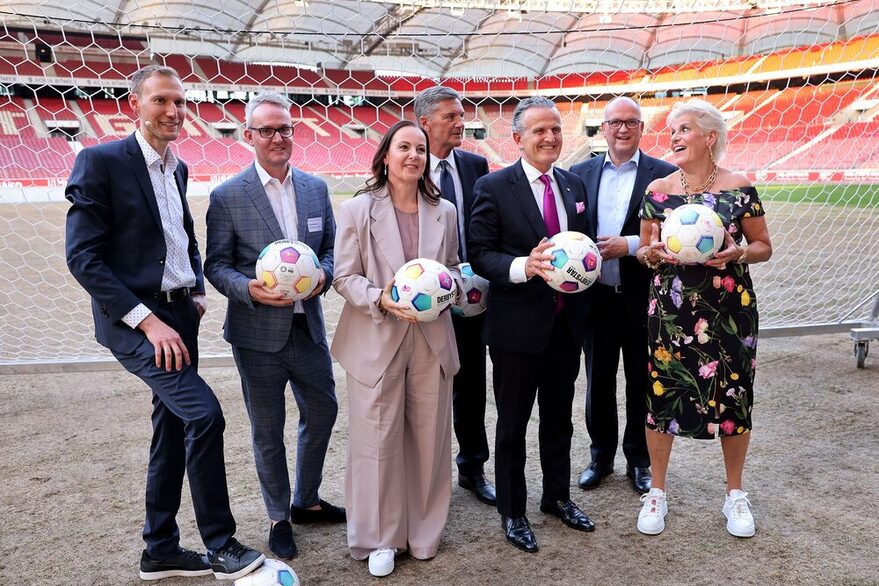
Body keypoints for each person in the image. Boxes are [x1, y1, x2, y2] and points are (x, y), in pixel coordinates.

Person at [64, 65, 264, 581]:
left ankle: (160, 548)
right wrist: (149, 321)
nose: (174, 111)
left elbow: (182, 234)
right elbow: (83, 259)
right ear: (135, 104)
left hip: (180, 313)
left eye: (180, 101)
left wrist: (195, 286)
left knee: (173, 428)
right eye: (161, 101)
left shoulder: (177, 166)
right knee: (204, 415)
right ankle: (220, 545)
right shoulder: (100, 161)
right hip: (139, 323)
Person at [203, 92, 344, 560]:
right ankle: (278, 516)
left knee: (323, 411)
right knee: (268, 430)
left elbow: (327, 250)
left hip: (308, 328)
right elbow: (216, 264)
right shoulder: (227, 196)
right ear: (249, 136)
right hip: (257, 334)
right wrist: (248, 289)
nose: (278, 137)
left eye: (284, 128)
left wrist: (322, 273)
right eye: (267, 130)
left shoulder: (315, 188)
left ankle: (306, 499)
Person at [635, 98, 772, 537]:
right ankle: (656, 492)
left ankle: (735, 495)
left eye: (684, 129)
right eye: (672, 130)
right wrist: (650, 254)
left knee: (733, 397)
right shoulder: (658, 191)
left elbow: (764, 246)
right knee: (662, 397)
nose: (674, 136)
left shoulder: (740, 187)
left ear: (710, 137)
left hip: (730, 312)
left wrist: (741, 253)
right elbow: (644, 251)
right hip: (672, 312)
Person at [331, 120, 460, 577]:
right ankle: (381, 538)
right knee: (378, 441)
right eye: (404, 147)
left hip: (431, 337)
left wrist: (452, 287)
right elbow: (343, 276)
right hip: (376, 337)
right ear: (386, 155)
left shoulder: (444, 210)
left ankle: (423, 532)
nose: (413, 156)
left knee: (429, 437)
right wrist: (381, 298)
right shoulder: (358, 210)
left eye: (421, 149)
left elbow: (452, 269)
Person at [468, 97, 596, 554]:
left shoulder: (574, 184)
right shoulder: (494, 186)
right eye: (539, 131)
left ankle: (557, 498)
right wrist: (528, 265)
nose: (550, 138)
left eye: (556, 130)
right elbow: (480, 252)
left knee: (559, 419)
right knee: (512, 425)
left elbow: (584, 250)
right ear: (518, 138)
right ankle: (513, 511)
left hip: (565, 328)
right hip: (516, 330)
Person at [570, 97, 676, 494]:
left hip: (641, 294)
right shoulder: (579, 173)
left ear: (642, 128)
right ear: (604, 127)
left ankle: (639, 460)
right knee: (597, 379)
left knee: (640, 380)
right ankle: (600, 456)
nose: (623, 129)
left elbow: (673, 237)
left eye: (631, 122)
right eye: (615, 122)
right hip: (594, 296)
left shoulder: (664, 174)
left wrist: (629, 245)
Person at [414, 86, 495, 506]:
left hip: (472, 295)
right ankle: (424, 475)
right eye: (451, 116)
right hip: (422, 296)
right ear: (425, 122)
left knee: (470, 381)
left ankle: (472, 468)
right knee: (425, 385)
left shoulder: (476, 164)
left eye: (461, 115)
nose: (461, 123)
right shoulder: (406, 162)